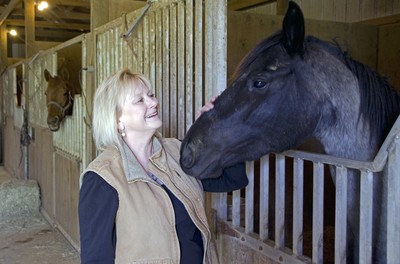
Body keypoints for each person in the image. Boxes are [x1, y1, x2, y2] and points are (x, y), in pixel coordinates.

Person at [78, 68, 248, 264]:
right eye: (140, 100)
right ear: (117, 120)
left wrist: (219, 130)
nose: (154, 102)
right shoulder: (102, 178)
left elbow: (233, 178)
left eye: (150, 95)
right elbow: (96, 259)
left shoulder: (177, 152)